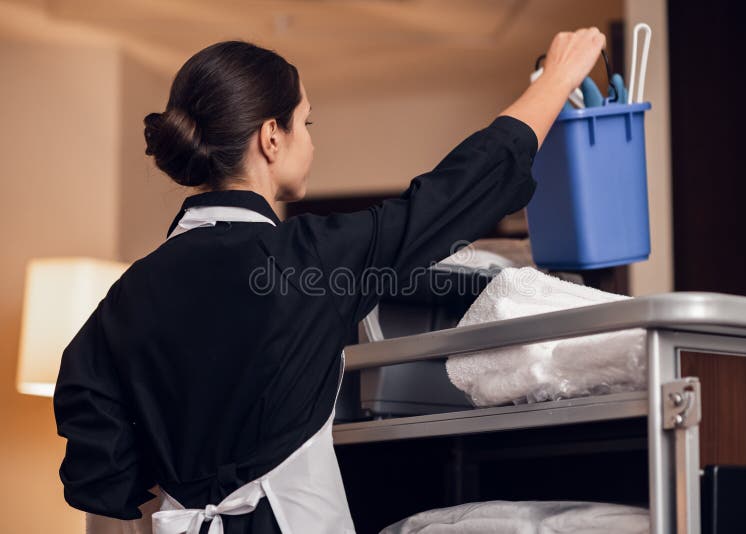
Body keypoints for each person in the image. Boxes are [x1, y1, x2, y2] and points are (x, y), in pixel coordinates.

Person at [54, 28, 605, 534]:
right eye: (306, 123)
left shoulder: (126, 295)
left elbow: (94, 458)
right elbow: (453, 195)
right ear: (272, 136)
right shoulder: (305, 260)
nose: (310, 143)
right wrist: (558, 77)